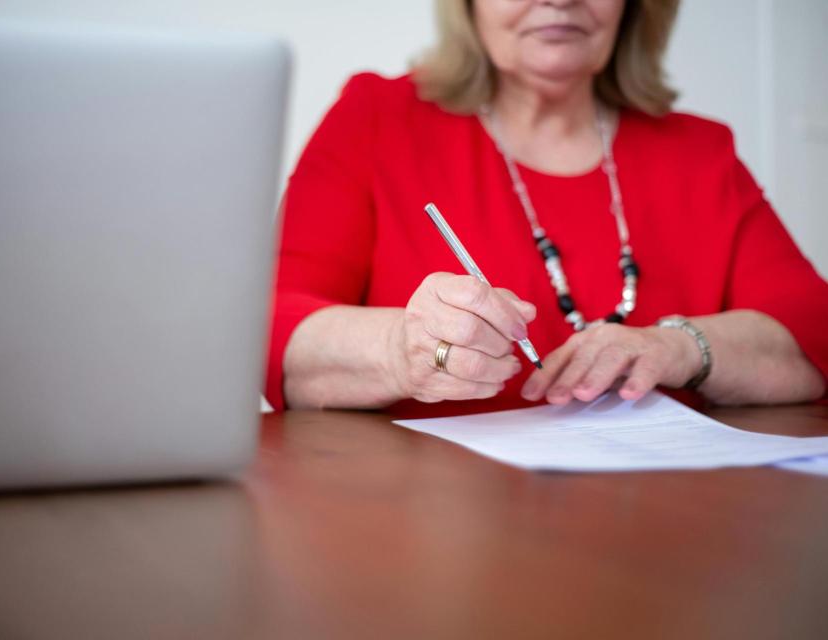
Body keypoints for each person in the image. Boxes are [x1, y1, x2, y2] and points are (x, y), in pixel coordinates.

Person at [266, 0, 827, 417]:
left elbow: (812, 333)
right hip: (427, 520)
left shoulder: (700, 152)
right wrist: (400, 350)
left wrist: (680, 347)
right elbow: (269, 330)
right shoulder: (376, 121)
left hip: (666, 519)